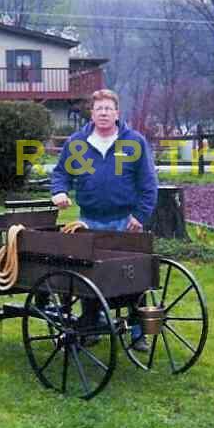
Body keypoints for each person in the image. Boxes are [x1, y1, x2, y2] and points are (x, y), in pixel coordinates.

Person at [51, 89, 158, 351]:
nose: (103, 113)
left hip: (125, 223)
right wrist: (60, 191)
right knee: (89, 278)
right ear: (92, 113)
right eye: (99, 109)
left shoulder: (134, 142)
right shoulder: (77, 143)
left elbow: (148, 184)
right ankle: (91, 327)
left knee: (133, 278)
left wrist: (140, 215)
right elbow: (60, 173)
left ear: (117, 113)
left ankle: (136, 333)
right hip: (90, 222)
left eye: (108, 109)